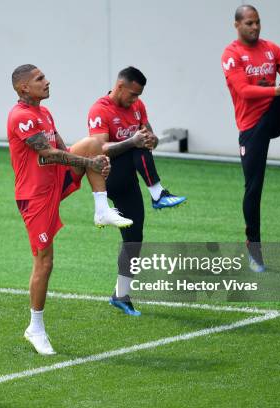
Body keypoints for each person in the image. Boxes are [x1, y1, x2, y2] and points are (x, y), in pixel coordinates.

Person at [8, 64, 132, 355]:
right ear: (23, 87)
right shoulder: (21, 116)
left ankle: (101, 209)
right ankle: (35, 328)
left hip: (54, 182)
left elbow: (62, 147)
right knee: (45, 262)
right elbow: (47, 153)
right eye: (40, 79)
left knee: (91, 144)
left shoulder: (43, 112)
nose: (47, 81)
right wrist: (91, 165)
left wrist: (95, 160)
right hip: (35, 196)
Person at [221, 4, 280, 271]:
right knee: (253, 189)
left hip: (275, 117)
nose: (254, 27)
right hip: (252, 127)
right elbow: (243, 90)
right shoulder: (232, 54)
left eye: (257, 22)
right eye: (249, 23)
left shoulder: (272, 49)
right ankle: (254, 250)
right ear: (237, 25)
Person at [88, 66, 186, 316]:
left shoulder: (137, 107)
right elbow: (101, 147)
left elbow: (148, 134)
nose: (135, 100)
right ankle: (158, 193)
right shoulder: (100, 110)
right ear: (120, 86)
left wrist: (151, 139)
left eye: (139, 95)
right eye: (132, 94)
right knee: (136, 144)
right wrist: (134, 141)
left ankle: (121, 295)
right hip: (107, 176)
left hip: (129, 180)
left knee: (134, 240)